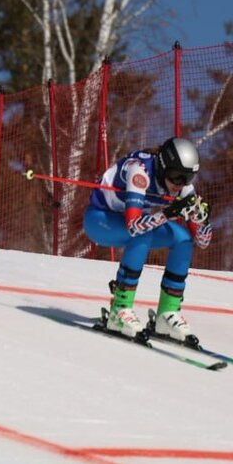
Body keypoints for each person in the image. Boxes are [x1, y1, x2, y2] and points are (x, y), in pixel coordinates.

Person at [83, 136, 213, 342]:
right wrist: (168, 214)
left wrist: (202, 221)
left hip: (129, 224)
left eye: (187, 178)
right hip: (99, 220)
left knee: (183, 239)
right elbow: (134, 226)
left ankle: (167, 314)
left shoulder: (183, 188)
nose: (179, 184)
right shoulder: (139, 172)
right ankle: (120, 309)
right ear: (162, 167)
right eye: (175, 176)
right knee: (144, 232)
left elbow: (202, 243)